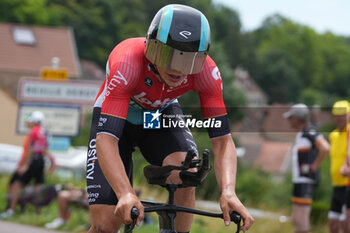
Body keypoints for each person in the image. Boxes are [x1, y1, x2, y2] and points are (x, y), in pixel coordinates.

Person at [86, 4, 254, 233]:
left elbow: (223, 140)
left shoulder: (207, 73)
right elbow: (107, 139)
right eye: (169, 56)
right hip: (118, 120)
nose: (178, 70)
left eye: (189, 61)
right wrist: (125, 193)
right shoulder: (127, 62)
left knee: (187, 173)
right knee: (106, 225)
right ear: (152, 48)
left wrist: (228, 191)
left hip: (158, 115)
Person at [284, 103, 330, 233]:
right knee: (296, 219)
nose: (289, 120)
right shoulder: (301, 134)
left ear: (297, 118)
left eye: (290, 117)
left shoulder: (309, 131)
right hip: (299, 181)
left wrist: (314, 166)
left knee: (301, 220)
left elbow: (325, 148)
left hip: (306, 181)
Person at [0, 111, 49, 219]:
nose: (27, 123)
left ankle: (11, 210)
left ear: (34, 121)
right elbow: (45, 148)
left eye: (29, 120)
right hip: (40, 160)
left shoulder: (34, 132)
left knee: (16, 184)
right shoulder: (44, 131)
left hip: (32, 160)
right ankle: (37, 213)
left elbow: (31, 149)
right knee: (38, 185)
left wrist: (25, 164)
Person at [329, 100, 350, 233]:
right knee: (333, 225)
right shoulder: (333, 135)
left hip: (347, 183)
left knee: (345, 225)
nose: (339, 118)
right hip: (336, 184)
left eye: (343, 115)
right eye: (337, 115)